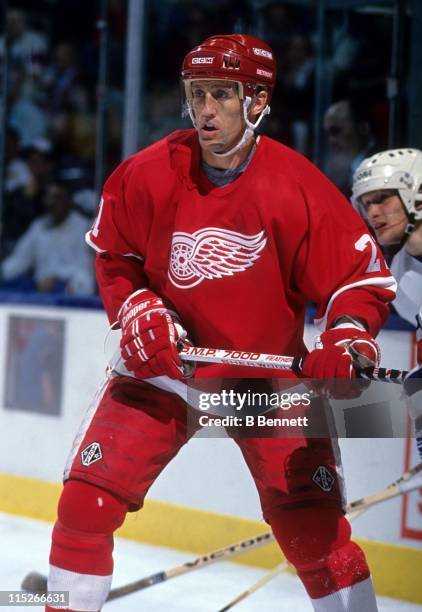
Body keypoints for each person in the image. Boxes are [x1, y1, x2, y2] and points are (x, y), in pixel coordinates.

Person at [45, 35, 396, 612]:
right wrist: (137, 308)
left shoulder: (295, 185)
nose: (205, 110)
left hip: (262, 383)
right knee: (87, 504)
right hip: (165, 369)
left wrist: (346, 336)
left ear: (257, 100)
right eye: (196, 94)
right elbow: (115, 257)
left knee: (313, 533)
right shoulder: (149, 172)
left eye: (221, 95)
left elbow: (359, 281)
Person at [351, 148, 422, 474]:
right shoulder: (399, 280)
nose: (373, 212)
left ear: (417, 193)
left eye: (383, 198)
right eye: (366, 203)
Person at [1, 179, 94, 295]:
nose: (51, 203)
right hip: (42, 296)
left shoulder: (85, 228)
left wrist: (56, 278)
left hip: (73, 296)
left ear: (69, 201)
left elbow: (86, 272)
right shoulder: (38, 227)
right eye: (48, 197)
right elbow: (19, 261)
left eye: (57, 197)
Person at [323, 98, 377, 196]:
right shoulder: (346, 170)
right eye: (328, 134)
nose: (331, 140)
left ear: (363, 128)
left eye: (336, 131)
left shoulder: (378, 168)